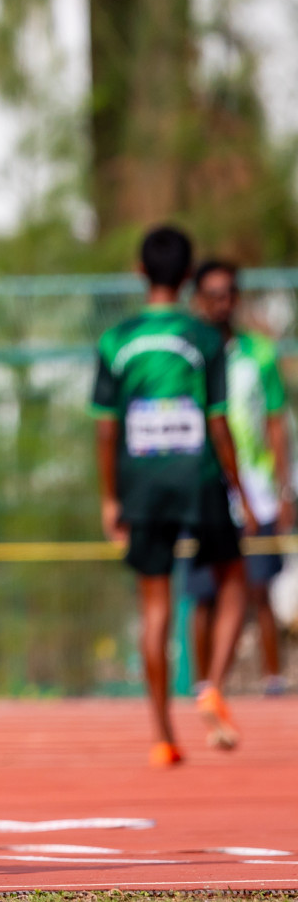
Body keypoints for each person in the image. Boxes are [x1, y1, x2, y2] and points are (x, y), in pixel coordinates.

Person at [91, 226, 257, 766]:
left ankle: (163, 735)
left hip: (142, 483)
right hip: (201, 478)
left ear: (140, 272)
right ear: (188, 278)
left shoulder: (116, 340)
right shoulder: (206, 339)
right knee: (233, 577)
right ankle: (210, 683)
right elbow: (218, 421)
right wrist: (242, 492)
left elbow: (105, 430)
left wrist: (111, 499)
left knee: (154, 605)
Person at [189, 260, 294, 697]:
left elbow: (275, 421)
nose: (221, 303)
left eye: (229, 293)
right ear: (197, 299)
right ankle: (205, 687)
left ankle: (273, 680)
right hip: (204, 488)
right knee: (203, 595)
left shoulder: (259, 353)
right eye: (212, 294)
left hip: (255, 487)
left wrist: (283, 486)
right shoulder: (188, 353)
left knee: (259, 587)